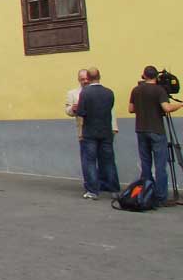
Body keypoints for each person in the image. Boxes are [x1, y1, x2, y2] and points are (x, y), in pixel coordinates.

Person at [129, 66, 182, 206]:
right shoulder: (160, 90)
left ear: (144, 75)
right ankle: (161, 197)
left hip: (140, 130)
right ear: (156, 77)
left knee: (146, 164)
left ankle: (147, 193)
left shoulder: (136, 90)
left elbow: (131, 109)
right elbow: (167, 108)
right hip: (157, 130)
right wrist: (181, 105)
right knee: (160, 165)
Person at [73, 67, 120, 199]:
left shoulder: (85, 93)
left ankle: (93, 190)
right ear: (100, 76)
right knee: (109, 161)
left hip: (90, 132)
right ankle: (114, 189)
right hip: (106, 131)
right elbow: (110, 109)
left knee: (90, 161)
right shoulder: (109, 92)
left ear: (88, 77)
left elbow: (81, 112)